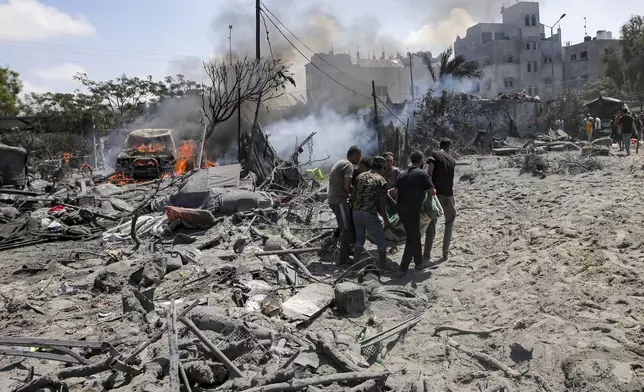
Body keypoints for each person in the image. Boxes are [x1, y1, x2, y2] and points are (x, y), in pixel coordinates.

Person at [395, 150, 435, 276]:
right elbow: (432, 191)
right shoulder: (422, 174)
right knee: (412, 238)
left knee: (415, 234)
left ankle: (418, 263)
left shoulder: (401, 175)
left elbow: (396, 192)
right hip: (413, 210)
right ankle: (403, 268)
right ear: (422, 161)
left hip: (401, 210)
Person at [352, 156, 390, 270]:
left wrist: (355, 208)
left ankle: (354, 266)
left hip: (356, 213)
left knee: (359, 240)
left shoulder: (360, 176)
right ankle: (383, 266)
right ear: (383, 167)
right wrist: (386, 219)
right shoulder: (381, 180)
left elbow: (353, 196)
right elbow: (381, 203)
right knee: (381, 240)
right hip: (369, 214)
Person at [424, 138, 457, 262]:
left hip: (435, 194)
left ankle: (426, 254)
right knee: (450, 220)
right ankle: (445, 253)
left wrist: (427, 187)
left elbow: (430, 171)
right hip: (448, 195)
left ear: (440, 145)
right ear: (449, 146)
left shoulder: (435, 155)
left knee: (432, 223)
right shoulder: (452, 160)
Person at [328, 145, 362, 264]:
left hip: (335, 199)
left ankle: (347, 250)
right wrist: (355, 195)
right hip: (339, 200)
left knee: (345, 226)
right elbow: (347, 186)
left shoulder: (340, 162)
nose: (360, 159)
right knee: (346, 228)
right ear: (355, 155)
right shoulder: (348, 165)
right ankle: (343, 258)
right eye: (359, 156)